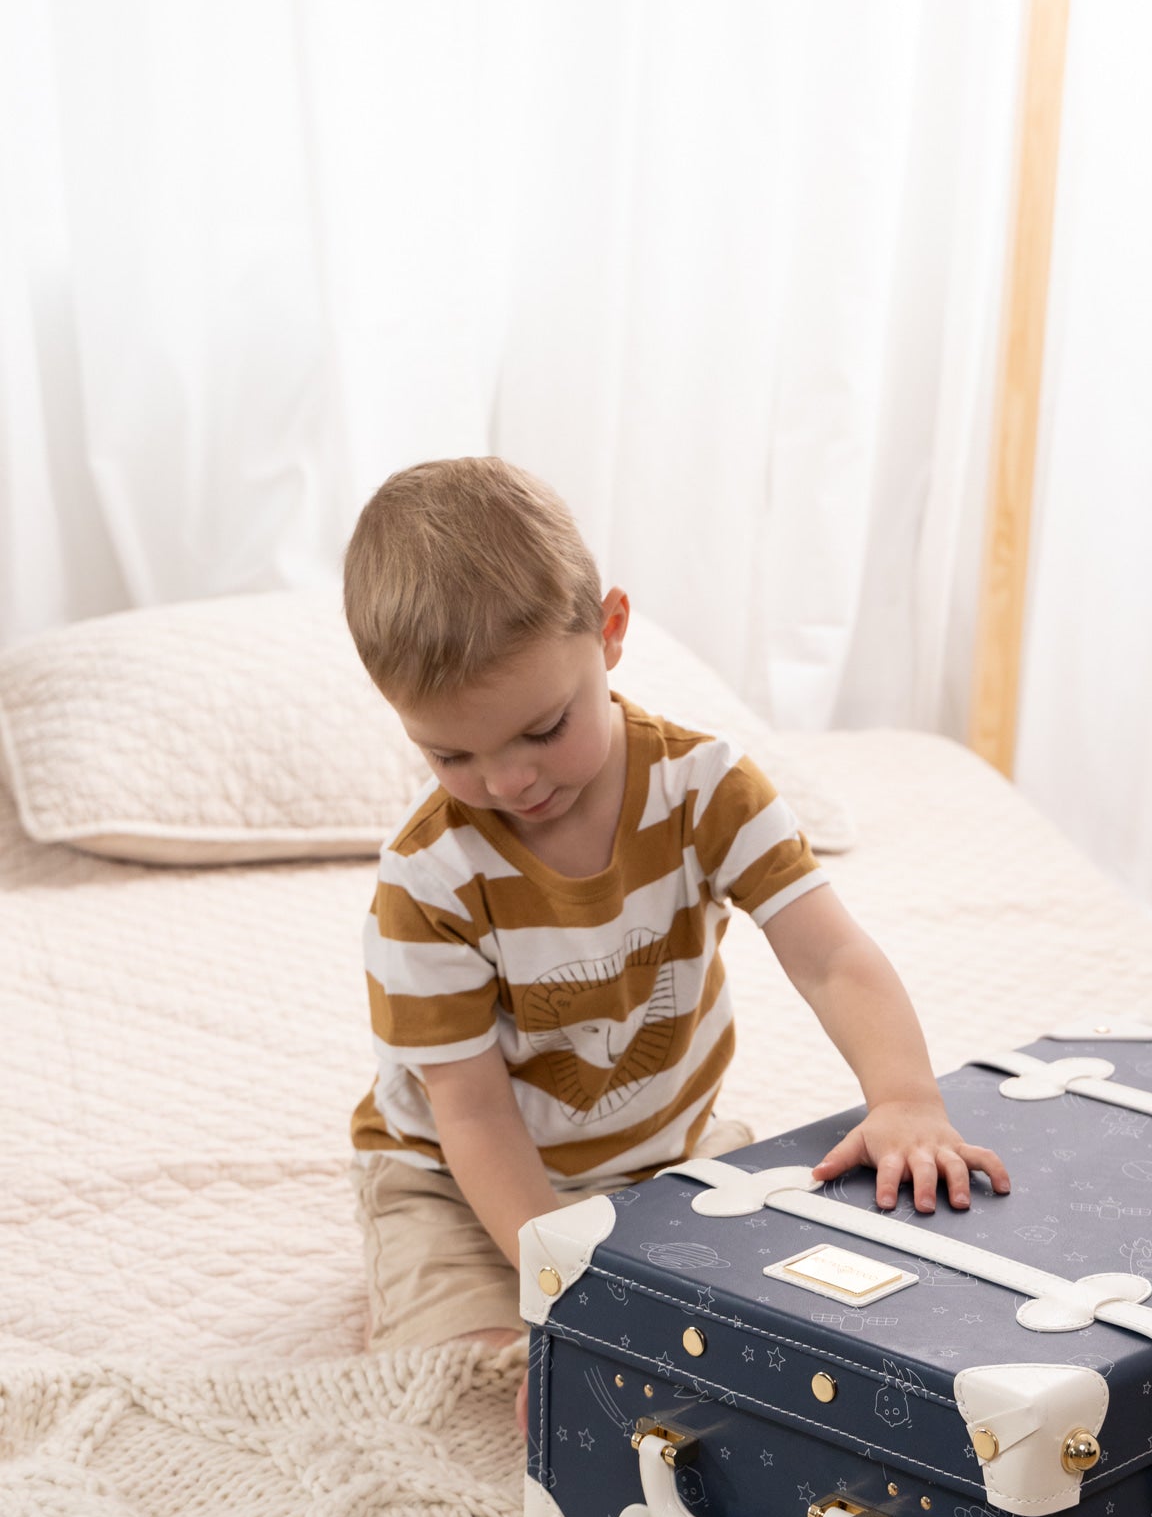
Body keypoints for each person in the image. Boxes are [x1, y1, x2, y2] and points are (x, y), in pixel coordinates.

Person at [342, 456, 1008, 1390]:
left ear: (610, 632)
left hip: (663, 1153)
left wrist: (904, 1099)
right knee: (480, 1383)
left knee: (792, 1331)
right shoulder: (429, 879)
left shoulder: (705, 788)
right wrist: (563, 1273)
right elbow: (473, 1111)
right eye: (452, 754)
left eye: (542, 730)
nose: (510, 782)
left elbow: (832, 958)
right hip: (457, 1179)